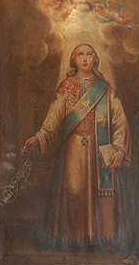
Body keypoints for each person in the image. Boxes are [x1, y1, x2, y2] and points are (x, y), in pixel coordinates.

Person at [24, 44, 131, 248]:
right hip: (73, 150)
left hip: (99, 149)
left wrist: (119, 147)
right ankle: (74, 239)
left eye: (89, 55)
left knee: (101, 195)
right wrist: (39, 137)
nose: (85, 59)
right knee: (73, 191)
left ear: (95, 59)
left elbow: (119, 121)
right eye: (80, 55)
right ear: (73, 60)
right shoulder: (66, 87)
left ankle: (101, 239)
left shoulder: (105, 88)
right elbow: (53, 120)